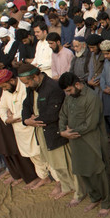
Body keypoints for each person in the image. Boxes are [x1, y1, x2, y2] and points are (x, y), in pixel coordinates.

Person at [19, 63, 84, 204]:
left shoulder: (52, 88)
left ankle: (79, 192)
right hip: (42, 132)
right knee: (56, 165)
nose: (26, 85)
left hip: (55, 132)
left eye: (27, 82)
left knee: (67, 165)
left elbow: (53, 113)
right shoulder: (32, 87)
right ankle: (67, 187)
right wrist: (26, 120)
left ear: (36, 76)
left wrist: (35, 120)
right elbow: (26, 105)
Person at [58, 72, 110, 216]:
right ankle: (95, 198)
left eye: (69, 90)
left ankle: (107, 202)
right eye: (66, 91)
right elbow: (63, 114)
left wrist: (70, 132)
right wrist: (62, 130)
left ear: (77, 85)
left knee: (99, 171)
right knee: (83, 171)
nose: (68, 94)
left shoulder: (91, 98)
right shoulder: (70, 97)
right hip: (76, 142)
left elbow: (90, 124)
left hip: (93, 141)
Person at [0, 68, 47, 189]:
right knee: (32, 156)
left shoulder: (25, 87)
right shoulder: (7, 90)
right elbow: (1, 106)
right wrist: (7, 119)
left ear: (12, 81)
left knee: (40, 154)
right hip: (18, 129)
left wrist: (15, 116)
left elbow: (29, 108)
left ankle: (51, 179)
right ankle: (43, 177)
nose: (3, 89)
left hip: (30, 127)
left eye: (4, 86)